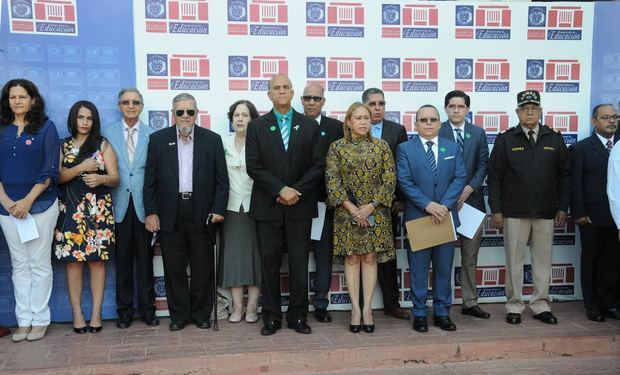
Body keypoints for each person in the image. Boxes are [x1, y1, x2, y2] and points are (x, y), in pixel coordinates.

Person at [245, 74, 323, 336]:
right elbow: (253, 166)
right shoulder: (256, 126)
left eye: (285, 87)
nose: (281, 91)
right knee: (269, 264)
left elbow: (317, 166)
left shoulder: (309, 125)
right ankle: (271, 317)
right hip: (268, 205)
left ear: (292, 93)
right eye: (275, 88)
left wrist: (295, 191)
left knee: (299, 263)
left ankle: (298, 316)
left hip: (299, 205)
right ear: (269, 94)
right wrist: (280, 189)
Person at [144, 93, 228, 331]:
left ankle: (202, 314)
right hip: (170, 212)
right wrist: (151, 212)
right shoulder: (158, 140)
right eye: (180, 112)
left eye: (189, 112)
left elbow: (222, 181)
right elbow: (149, 182)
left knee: (202, 268)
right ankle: (179, 315)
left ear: (196, 113)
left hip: (202, 212)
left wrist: (219, 209)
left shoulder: (212, 140)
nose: (185, 116)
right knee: (174, 268)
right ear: (173, 114)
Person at [488, 90, 570, 325]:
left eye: (534, 108)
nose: (530, 112)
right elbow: (494, 177)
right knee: (514, 261)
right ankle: (514, 305)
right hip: (514, 211)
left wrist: (563, 207)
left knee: (543, 261)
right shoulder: (506, 139)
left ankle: (540, 304)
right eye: (525, 108)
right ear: (517, 112)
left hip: (546, 211)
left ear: (541, 111)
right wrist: (497, 210)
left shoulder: (553, 138)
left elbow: (565, 176)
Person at [325, 102, 396, 333]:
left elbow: (389, 180)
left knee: (370, 258)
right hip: (347, 214)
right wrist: (354, 210)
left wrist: (371, 207)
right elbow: (332, 182)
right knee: (353, 258)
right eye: (358, 118)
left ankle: (368, 309)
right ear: (348, 121)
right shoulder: (337, 148)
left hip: (377, 213)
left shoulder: (382, 146)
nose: (363, 122)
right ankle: (355, 308)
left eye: (366, 117)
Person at [396, 105, 467, 333]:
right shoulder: (405, 149)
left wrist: (443, 206)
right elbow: (404, 181)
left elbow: (460, 177)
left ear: (439, 123)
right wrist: (428, 205)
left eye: (433, 120)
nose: (428, 124)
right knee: (418, 268)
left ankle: (442, 312)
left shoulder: (452, 147)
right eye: (423, 120)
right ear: (415, 124)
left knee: (444, 268)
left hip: (445, 217)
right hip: (419, 217)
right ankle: (419, 313)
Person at [0, 79, 60, 342]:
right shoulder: (1, 128)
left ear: (33, 100)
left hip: (41, 205)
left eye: (22, 97)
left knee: (39, 264)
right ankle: (23, 321)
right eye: (12, 97)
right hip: (7, 207)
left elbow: (50, 169)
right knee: (19, 265)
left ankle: (40, 320)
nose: (17, 101)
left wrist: (27, 201)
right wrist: (5, 201)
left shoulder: (46, 128)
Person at [53, 100, 119, 334]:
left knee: (97, 261)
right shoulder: (62, 145)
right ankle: (77, 313)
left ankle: (96, 312)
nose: (84, 122)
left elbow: (115, 178)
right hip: (69, 210)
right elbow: (57, 177)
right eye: (81, 117)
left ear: (94, 121)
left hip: (96, 211)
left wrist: (102, 179)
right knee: (72, 262)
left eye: (89, 118)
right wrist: (82, 167)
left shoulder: (102, 145)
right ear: (73, 119)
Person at [102, 88, 158, 329]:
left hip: (145, 208)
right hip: (118, 207)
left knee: (145, 263)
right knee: (122, 263)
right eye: (126, 102)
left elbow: (155, 176)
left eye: (135, 102)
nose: (131, 106)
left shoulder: (152, 135)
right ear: (119, 106)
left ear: (142, 106)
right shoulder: (107, 134)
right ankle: (124, 312)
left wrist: (155, 211)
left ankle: (148, 310)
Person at [439, 90, 490, 319]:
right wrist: (452, 195)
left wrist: (468, 189)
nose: (456, 110)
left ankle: (470, 302)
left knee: (470, 256)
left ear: (467, 109)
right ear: (446, 108)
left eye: (460, 106)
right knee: (442, 257)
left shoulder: (478, 133)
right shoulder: (437, 130)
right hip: (443, 204)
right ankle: (443, 303)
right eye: (452, 106)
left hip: (472, 203)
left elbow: (483, 166)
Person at [362, 88, 410, 320]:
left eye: (381, 103)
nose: (377, 107)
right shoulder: (353, 127)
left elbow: (403, 167)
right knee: (360, 255)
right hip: (358, 207)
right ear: (364, 106)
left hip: (387, 205)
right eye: (372, 103)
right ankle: (362, 306)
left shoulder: (396, 130)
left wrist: (399, 198)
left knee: (387, 257)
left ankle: (392, 303)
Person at [571, 104, 620, 322]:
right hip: (591, 217)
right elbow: (574, 183)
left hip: (616, 218)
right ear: (594, 122)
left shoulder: (618, 146)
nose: (611, 121)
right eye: (606, 117)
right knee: (591, 262)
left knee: (613, 262)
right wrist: (580, 213)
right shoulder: (581, 148)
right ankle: (592, 306)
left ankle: (608, 302)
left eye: (614, 117)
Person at [300, 83, 343, 323]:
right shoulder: (293, 125)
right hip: (295, 202)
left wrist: (333, 195)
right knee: (296, 255)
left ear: (323, 101)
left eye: (316, 98)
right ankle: (296, 304)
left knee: (323, 256)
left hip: (326, 204)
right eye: (307, 98)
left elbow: (342, 165)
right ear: (302, 100)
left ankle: (321, 304)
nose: (312, 102)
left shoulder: (336, 128)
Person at [219, 100, 261, 323]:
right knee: (234, 259)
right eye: (236, 115)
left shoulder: (260, 143)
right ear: (231, 118)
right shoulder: (222, 142)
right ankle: (237, 307)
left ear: (252, 119)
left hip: (256, 208)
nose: (240, 119)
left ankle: (252, 307)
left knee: (256, 259)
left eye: (245, 115)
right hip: (231, 208)